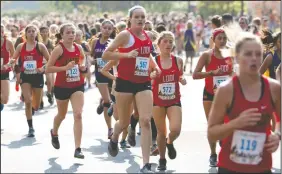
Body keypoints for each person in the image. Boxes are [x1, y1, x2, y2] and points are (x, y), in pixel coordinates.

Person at [208, 32, 281, 173]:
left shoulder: (274, 88)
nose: (254, 58)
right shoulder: (226, 90)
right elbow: (212, 133)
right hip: (229, 166)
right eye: (248, 54)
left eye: (258, 54)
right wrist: (236, 123)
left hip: (262, 166)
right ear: (237, 57)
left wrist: (277, 136)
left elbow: (280, 121)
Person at [102, 5, 161, 173]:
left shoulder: (146, 36)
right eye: (137, 17)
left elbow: (147, 54)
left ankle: (146, 164)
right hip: (125, 82)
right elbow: (106, 54)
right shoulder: (125, 35)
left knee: (145, 120)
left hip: (143, 82)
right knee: (125, 121)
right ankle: (114, 137)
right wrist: (126, 55)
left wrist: (155, 67)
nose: (141, 20)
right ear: (130, 19)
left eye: (143, 17)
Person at [46, 23, 88, 159]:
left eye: (73, 32)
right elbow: (48, 68)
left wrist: (82, 67)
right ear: (62, 35)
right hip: (62, 86)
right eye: (68, 32)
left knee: (78, 114)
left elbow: (82, 59)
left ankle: (78, 148)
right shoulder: (59, 49)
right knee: (62, 115)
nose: (71, 35)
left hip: (77, 85)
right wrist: (64, 68)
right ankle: (54, 131)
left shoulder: (79, 47)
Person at [193, 28, 234, 167]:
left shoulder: (230, 55)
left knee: (226, 124)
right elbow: (195, 74)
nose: (222, 41)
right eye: (219, 38)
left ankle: (225, 148)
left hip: (227, 96)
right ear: (213, 40)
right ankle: (213, 154)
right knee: (212, 125)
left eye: (224, 38)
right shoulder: (207, 55)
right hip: (210, 94)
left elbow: (235, 74)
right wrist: (211, 73)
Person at [151, 31, 187, 171]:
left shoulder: (178, 60)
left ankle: (169, 142)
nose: (168, 44)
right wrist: (152, 75)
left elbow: (180, 76)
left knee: (176, 130)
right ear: (159, 44)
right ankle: (162, 159)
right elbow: (147, 77)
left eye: (171, 42)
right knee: (161, 132)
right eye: (165, 41)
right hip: (157, 101)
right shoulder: (154, 60)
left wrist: (182, 79)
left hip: (174, 100)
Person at [9, 24, 50, 137]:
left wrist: (43, 68)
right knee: (27, 101)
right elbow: (14, 58)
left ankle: (33, 108)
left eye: (33, 31)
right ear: (26, 34)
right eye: (29, 31)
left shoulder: (40, 46)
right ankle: (31, 127)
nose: (32, 33)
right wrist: (10, 62)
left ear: (36, 33)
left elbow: (50, 60)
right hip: (25, 76)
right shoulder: (21, 46)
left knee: (35, 106)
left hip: (37, 76)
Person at [91, 20, 115, 139]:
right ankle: (110, 129)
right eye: (104, 28)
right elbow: (91, 56)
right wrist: (92, 61)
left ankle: (102, 102)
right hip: (100, 74)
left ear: (112, 30)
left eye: (109, 28)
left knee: (113, 99)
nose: (106, 30)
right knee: (108, 102)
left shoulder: (113, 42)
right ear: (101, 28)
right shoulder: (95, 42)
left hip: (111, 74)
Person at [1, 24, 15, 112]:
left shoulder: (8, 42)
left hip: (4, 72)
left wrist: (7, 65)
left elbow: (14, 58)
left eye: (1, 31)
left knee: (5, 100)